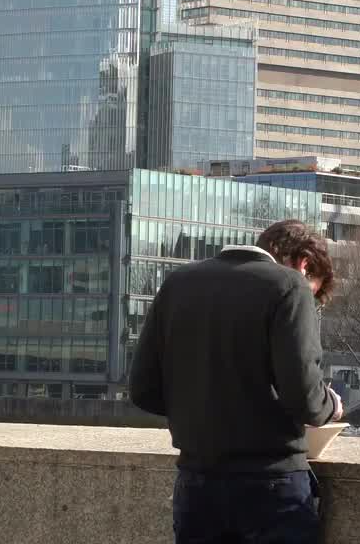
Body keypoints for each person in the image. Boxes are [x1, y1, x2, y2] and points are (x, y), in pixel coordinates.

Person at [129, 219, 343, 544]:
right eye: (313, 292)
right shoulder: (289, 285)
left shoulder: (178, 283)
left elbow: (143, 389)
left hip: (197, 484)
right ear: (304, 264)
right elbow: (305, 397)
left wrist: (198, 408)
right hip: (271, 484)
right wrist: (331, 405)